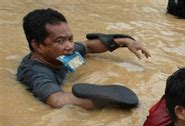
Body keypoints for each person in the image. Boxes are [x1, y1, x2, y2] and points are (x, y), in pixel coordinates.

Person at [17, 8, 150, 110]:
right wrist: (108, 102)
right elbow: (57, 100)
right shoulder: (34, 72)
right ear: (38, 46)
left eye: (70, 39)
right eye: (60, 41)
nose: (69, 46)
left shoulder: (63, 53)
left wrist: (125, 41)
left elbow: (88, 46)